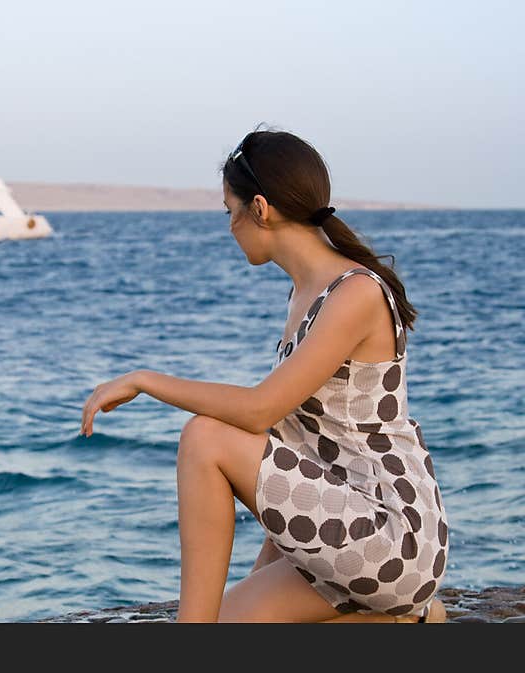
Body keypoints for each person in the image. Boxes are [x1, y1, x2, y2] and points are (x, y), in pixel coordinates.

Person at [79, 127, 449, 623]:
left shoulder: (354, 294)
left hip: (392, 535)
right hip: (345, 524)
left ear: (260, 208)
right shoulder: (305, 295)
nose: (229, 226)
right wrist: (265, 569)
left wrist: (146, 380)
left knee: (205, 437)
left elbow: (261, 411)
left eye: (230, 211)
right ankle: (409, 620)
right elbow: (305, 450)